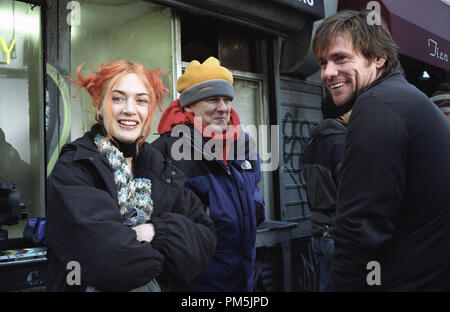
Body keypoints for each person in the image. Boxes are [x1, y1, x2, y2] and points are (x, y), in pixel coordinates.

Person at [45, 60, 217, 292]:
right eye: (117, 98)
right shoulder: (76, 167)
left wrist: (157, 232)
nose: (130, 109)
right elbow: (107, 260)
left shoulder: (161, 168)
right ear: (98, 107)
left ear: (148, 111)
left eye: (141, 100)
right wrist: (172, 256)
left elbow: (205, 238)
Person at [312, 10, 450, 291]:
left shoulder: (377, 105)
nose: (327, 72)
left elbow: (359, 229)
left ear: (379, 58)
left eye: (340, 58)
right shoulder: (404, 100)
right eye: (323, 62)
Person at [151, 56, 265, 291]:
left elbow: (254, 190)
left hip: (243, 278)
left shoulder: (244, 144)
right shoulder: (164, 151)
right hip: (196, 285)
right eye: (213, 99)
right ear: (190, 105)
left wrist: (254, 209)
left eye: (227, 99)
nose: (223, 108)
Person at [300, 94, 352, 292]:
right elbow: (352, 191)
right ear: (341, 114)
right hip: (340, 235)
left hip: (318, 234)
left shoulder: (311, 143)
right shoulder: (342, 143)